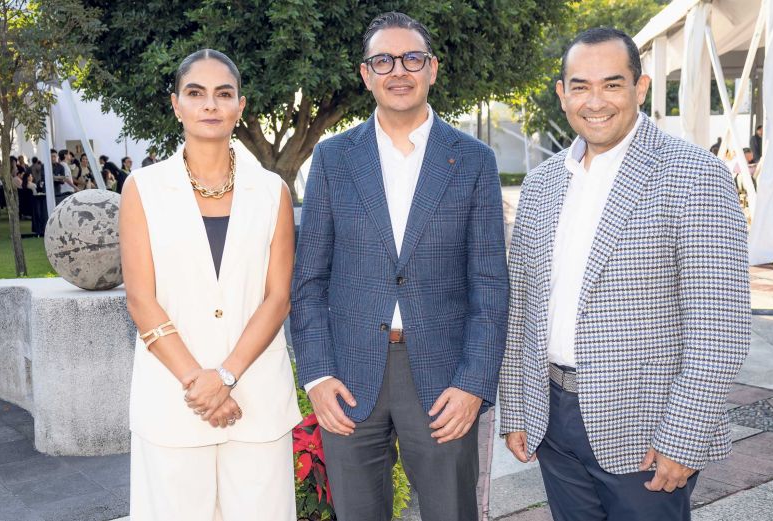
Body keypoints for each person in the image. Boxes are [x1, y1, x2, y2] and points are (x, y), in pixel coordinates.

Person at [499, 28, 750, 521]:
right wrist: (517, 408)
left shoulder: (695, 175)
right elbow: (522, 307)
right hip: (551, 418)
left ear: (640, 88)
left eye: (612, 85)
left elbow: (719, 329)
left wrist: (684, 435)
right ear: (562, 93)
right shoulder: (541, 183)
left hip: (647, 429)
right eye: (580, 85)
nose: (595, 101)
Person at [291, 12, 508, 521]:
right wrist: (317, 376)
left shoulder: (473, 160)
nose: (398, 71)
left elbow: (490, 285)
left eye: (412, 58)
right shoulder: (333, 158)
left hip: (443, 380)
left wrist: (474, 382)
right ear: (366, 74)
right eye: (382, 60)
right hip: (347, 375)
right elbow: (308, 282)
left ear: (432, 68)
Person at [119, 48, 301, 521]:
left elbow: (278, 297)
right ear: (176, 104)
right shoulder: (143, 188)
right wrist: (197, 383)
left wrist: (224, 377)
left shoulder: (272, 190)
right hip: (173, 402)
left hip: (256, 399)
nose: (210, 105)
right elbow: (140, 298)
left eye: (224, 94)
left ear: (241, 106)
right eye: (195, 93)